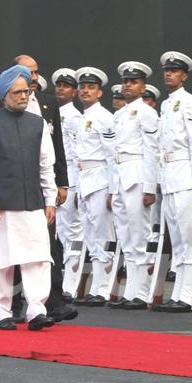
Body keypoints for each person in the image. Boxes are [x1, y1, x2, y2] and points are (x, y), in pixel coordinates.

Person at [0, 64, 57, 331]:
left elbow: (46, 165)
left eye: (27, 91)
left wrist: (51, 199)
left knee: (38, 258)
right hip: (2, 203)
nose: (24, 96)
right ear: (4, 94)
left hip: (32, 201)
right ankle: (1, 312)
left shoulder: (38, 124)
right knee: (1, 260)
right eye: (18, 92)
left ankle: (36, 311)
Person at [152, 51, 192, 312]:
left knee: (188, 236)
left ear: (184, 75)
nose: (169, 74)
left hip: (185, 173)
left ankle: (190, 295)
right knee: (177, 236)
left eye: (174, 71)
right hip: (170, 174)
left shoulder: (190, 102)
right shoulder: (166, 104)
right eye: (166, 70)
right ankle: (179, 294)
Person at [107, 60, 160, 310]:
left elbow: (152, 151)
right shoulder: (119, 114)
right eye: (125, 81)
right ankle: (130, 290)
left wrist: (150, 186)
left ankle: (141, 291)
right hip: (120, 176)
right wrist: (111, 187)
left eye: (133, 81)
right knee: (126, 236)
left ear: (144, 86)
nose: (128, 85)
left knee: (139, 234)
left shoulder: (147, 112)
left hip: (138, 174)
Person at [73, 66, 117, 305]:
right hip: (84, 179)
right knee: (90, 235)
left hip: (100, 179)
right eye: (83, 87)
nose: (85, 91)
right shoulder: (82, 118)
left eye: (91, 87)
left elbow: (111, 155)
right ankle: (96, 287)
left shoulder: (104, 117)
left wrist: (112, 189)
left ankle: (103, 288)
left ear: (100, 92)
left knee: (103, 233)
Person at [51, 68, 84, 299]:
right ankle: (61, 278)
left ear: (74, 91)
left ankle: (72, 281)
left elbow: (77, 153)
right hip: (55, 176)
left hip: (71, 176)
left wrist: (75, 184)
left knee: (72, 230)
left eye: (66, 86)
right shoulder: (52, 113)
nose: (61, 89)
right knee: (59, 230)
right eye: (59, 85)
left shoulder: (74, 117)